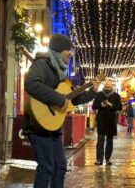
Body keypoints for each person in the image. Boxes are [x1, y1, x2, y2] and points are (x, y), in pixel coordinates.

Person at [24, 34, 100, 188]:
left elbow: (73, 99)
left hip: (54, 126)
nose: (71, 53)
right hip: (38, 125)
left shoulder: (62, 73)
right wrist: (58, 100)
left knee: (60, 166)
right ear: (58, 50)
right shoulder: (42, 64)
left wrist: (93, 91)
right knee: (46, 168)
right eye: (68, 50)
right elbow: (31, 84)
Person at [92, 80, 122, 165]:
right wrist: (100, 104)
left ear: (112, 87)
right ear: (103, 87)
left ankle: (108, 159)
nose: (107, 89)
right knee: (100, 141)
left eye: (109, 87)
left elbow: (120, 107)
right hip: (101, 121)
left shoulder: (116, 96)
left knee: (110, 141)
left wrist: (111, 105)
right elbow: (94, 106)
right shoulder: (99, 95)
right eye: (106, 87)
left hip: (111, 122)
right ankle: (99, 160)